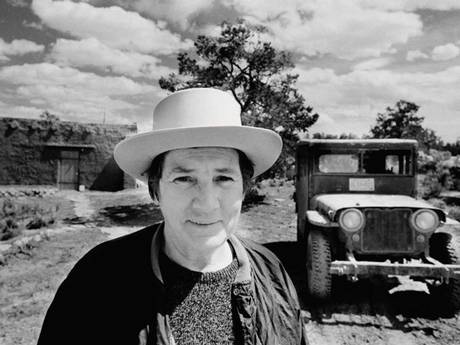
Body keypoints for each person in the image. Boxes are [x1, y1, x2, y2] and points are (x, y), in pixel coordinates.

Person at [37, 88, 308, 345]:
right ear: (156, 188)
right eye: (184, 178)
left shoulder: (271, 272)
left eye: (223, 178)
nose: (206, 203)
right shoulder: (98, 281)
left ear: (243, 187)